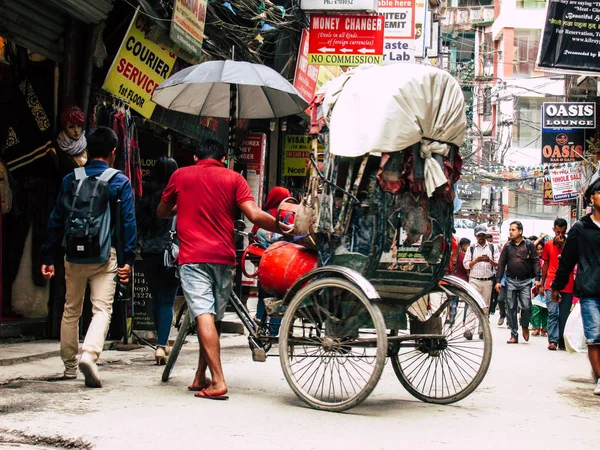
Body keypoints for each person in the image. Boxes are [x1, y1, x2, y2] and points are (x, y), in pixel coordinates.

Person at [157, 139, 290, 400]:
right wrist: (281, 226)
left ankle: (218, 380)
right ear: (223, 159)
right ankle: (200, 376)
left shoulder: (181, 175)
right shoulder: (234, 178)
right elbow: (253, 214)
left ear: (196, 157)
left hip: (193, 257)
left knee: (203, 314)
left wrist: (182, 204)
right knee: (214, 317)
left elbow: (162, 212)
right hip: (223, 257)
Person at [41, 127, 136, 387]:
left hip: (73, 254)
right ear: (113, 153)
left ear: (87, 150)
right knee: (101, 308)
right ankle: (90, 356)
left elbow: (56, 219)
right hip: (106, 256)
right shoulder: (119, 181)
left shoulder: (70, 179)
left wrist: (48, 256)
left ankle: (70, 366)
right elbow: (128, 223)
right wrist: (128, 260)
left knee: (71, 310)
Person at [552, 178, 600, 395]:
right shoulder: (581, 228)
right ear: (592, 198)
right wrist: (557, 286)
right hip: (590, 292)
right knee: (595, 337)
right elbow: (567, 261)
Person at [136, 156, 180, 364]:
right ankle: (162, 345)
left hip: (149, 253)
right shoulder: (175, 197)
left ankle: (160, 342)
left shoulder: (144, 197)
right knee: (167, 300)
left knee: (156, 298)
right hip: (170, 254)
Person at [251, 186, 293, 335]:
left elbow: (253, 237)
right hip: (284, 263)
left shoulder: (263, 215)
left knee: (263, 295)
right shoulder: (290, 215)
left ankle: (259, 328)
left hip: (265, 263)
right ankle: (274, 331)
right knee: (280, 296)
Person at [496, 221, 541, 344]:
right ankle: (514, 334)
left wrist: (537, 278)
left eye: (513, 230)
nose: (511, 232)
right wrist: (498, 281)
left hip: (526, 281)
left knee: (526, 307)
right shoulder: (507, 246)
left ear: (520, 231)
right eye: (510, 230)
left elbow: (536, 261)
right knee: (510, 308)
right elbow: (501, 264)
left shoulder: (529, 244)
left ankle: (525, 325)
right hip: (510, 280)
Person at [462, 224, 499, 339]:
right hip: (474, 280)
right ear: (475, 236)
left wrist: (490, 261)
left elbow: (498, 264)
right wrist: (476, 260)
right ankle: (469, 330)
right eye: (479, 235)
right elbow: (466, 264)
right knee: (472, 304)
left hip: (488, 281)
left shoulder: (493, 248)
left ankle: (482, 330)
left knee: (485, 307)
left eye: (483, 235)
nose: (481, 237)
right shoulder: (471, 248)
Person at [542, 218, 574, 351]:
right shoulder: (548, 245)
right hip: (551, 282)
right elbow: (545, 265)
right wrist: (542, 283)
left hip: (568, 283)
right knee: (553, 313)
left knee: (564, 315)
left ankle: (561, 340)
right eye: (558, 231)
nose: (560, 235)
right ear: (554, 230)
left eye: (563, 232)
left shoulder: (571, 245)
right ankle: (553, 340)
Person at [53, 105, 88, 178]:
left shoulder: (87, 144)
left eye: (79, 126)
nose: (76, 131)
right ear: (64, 128)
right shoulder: (56, 148)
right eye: (71, 127)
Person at [530, 241, 548, 338]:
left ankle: (544, 329)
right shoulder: (534, 260)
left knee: (546, 309)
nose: (540, 251)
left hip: (547, 284)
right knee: (536, 307)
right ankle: (536, 328)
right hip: (535, 285)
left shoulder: (547, 260)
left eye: (541, 249)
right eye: (538, 249)